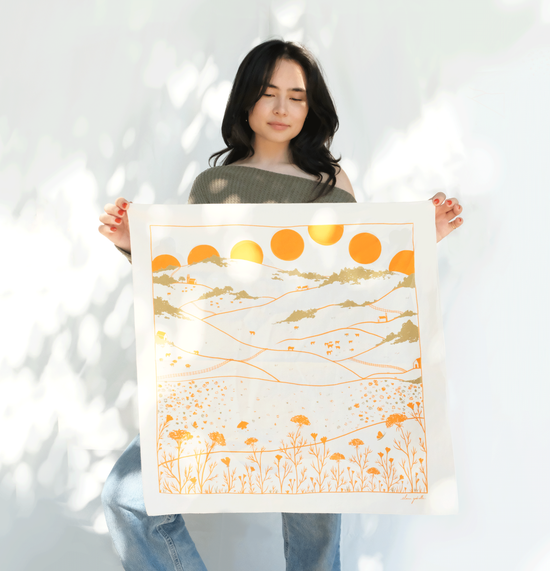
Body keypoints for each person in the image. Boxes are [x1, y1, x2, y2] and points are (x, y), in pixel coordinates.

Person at [98, 39, 463, 571]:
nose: (282, 108)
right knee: (127, 497)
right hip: (223, 374)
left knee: (314, 549)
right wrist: (134, 243)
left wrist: (420, 239)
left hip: (308, 384)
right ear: (246, 101)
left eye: (296, 96)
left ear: (311, 107)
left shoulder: (330, 186)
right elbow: (185, 283)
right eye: (269, 93)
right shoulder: (213, 184)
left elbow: (357, 284)